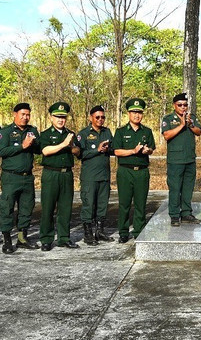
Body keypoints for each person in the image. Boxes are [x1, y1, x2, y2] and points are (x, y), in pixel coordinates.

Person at [0, 103, 41, 254]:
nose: (25, 117)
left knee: (27, 208)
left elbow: (39, 150)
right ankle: (7, 240)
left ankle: (22, 238)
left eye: (28, 114)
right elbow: (1, 151)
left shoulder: (32, 130)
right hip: (11, 177)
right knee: (7, 208)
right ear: (14, 114)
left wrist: (33, 144)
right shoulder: (6, 131)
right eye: (22, 114)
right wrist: (22, 146)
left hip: (27, 177)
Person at [113, 98, 156, 242]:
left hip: (142, 171)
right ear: (128, 113)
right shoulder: (120, 132)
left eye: (139, 112)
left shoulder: (147, 131)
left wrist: (146, 151)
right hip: (125, 171)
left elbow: (151, 149)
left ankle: (139, 231)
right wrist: (133, 151)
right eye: (134, 112)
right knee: (124, 203)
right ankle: (123, 232)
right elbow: (117, 151)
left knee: (140, 203)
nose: (137, 115)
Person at [39, 102, 80, 251]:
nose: (61, 120)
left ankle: (64, 238)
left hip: (66, 174)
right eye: (57, 117)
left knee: (65, 208)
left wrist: (72, 147)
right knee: (48, 207)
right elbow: (45, 151)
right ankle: (46, 238)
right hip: (51, 174)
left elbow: (77, 151)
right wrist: (63, 144)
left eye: (63, 117)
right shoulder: (45, 134)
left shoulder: (71, 134)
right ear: (51, 118)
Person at [161, 93, 201, 227]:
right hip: (175, 160)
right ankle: (174, 215)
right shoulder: (168, 119)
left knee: (188, 188)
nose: (183, 107)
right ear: (174, 105)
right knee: (175, 188)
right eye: (180, 105)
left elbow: (199, 131)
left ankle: (186, 213)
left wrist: (190, 124)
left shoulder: (192, 117)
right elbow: (167, 135)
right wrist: (181, 125)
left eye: (185, 105)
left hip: (189, 158)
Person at [77, 105, 114, 245]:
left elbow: (113, 149)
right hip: (90, 177)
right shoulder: (84, 133)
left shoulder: (107, 132)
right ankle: (88, 234)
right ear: (90, 117)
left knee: (102, 205)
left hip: (104, 176)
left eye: (103, 117)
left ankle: (100, 231)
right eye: (97, 117)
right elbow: (80, 154)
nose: (100, 119)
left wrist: (108, 149)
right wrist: (97, 150)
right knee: (88, 205)